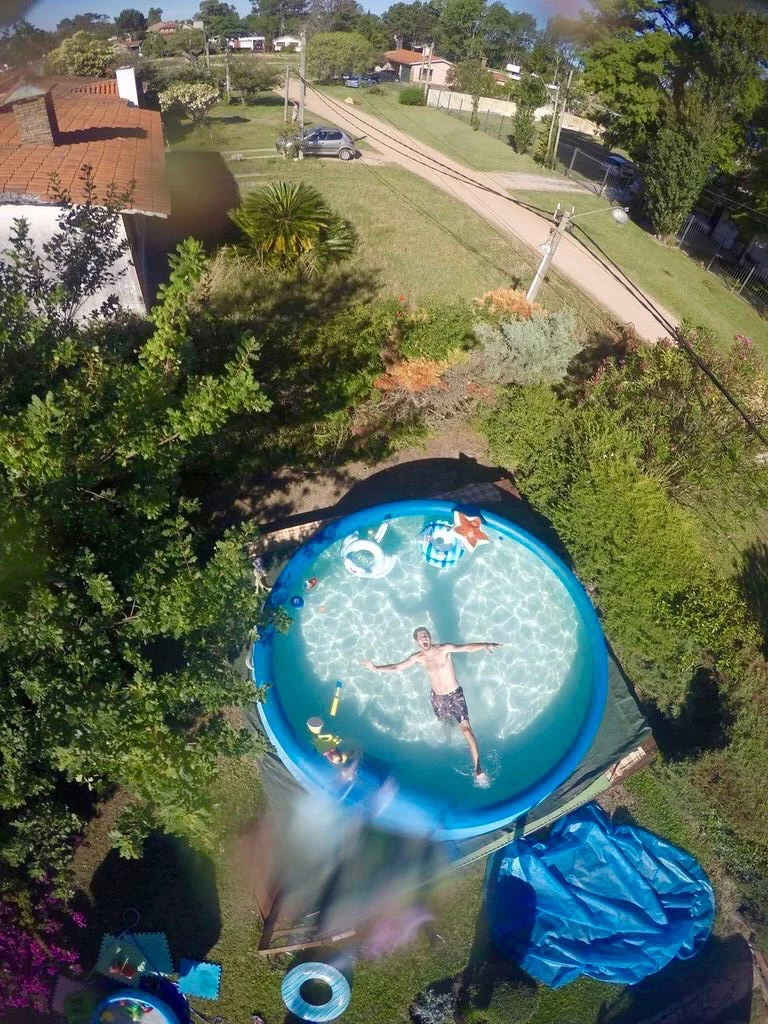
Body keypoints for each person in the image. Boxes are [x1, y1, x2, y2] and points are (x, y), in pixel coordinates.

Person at [362, 627, 501, 787]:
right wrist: (375, 668)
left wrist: (485, 644)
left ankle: (478, 769)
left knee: (466, 730)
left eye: (426, 636)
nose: (424, 639)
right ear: (417, 641)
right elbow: (396, 667)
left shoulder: (443, 649)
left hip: (455, 695)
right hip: (437, 698)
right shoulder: (418, 658)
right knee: (445, 723)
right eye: (421, 637)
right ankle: (449, 735)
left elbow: (465, 647)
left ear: (430, 637)